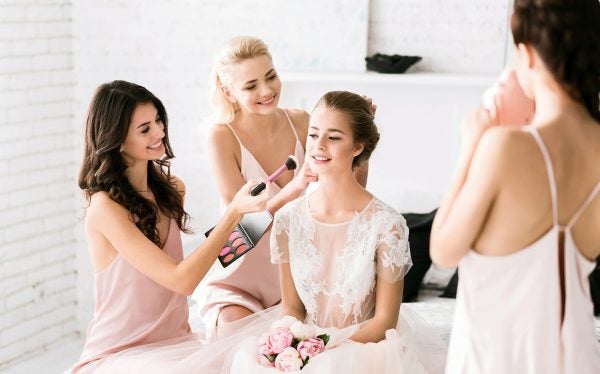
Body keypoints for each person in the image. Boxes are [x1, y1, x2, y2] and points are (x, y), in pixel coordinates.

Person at [176, 91, 446, 373]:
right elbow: (292, 308)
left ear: (357, 147)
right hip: (306, 349)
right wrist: (290, 343)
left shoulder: (387, 225)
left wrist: (322, 344)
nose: (319, 146)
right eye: (314, 134)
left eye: (334, 137)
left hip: (367, 350)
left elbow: (384, 322)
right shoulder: (289, 219)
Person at [430, 0, 600, 373]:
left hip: (498, 356)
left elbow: (443, 250)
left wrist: (472, 144)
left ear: (528, 55)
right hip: (575, 357)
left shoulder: (505, 146)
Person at [72, 80, 271, 373]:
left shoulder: (173, 190)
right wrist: (233, 214)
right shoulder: (105, 209)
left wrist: (269, 212)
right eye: (144, 129)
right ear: (116, 141)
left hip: (176, 342)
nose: (159, 132)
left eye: (158, 120)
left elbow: (211, 258)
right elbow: (182, 280)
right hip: (119, 350)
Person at [194, 36, 369, 338]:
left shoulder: (301, 121)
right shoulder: (220, 135)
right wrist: (295, 187)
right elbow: (243, 218)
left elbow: (347, 187)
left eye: (271, 76)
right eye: (250, 86)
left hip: (298, 275)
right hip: (239, 274)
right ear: (228, 91)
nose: (266, 91)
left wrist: (358, 137)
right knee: (237, 349)